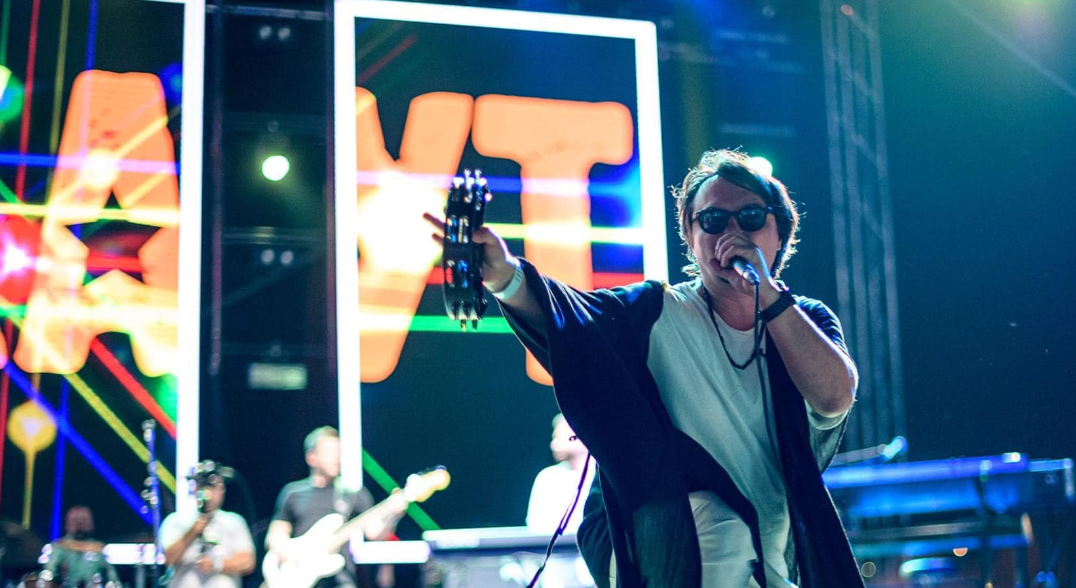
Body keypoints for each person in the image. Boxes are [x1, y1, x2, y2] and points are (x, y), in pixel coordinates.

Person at [424, 149, 863, 587]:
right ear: (690, 235)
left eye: (749, 217)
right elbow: (571, 320)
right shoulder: (655, 312)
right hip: (662, 538)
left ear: (780, 233)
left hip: (768, 551)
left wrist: (764, 290)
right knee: (722, 529)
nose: (731, 233)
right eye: (712, 220)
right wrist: (504, 275)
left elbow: (834, 397)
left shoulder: (804, 321)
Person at [266, 426, 400, 588]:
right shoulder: (292, 493)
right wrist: (291, 556)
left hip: (341, 579)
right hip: (300, 578)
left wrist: (395, 514)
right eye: (329, 452)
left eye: (339, 452)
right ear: (311, 457)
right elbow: (276, 536)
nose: (336, 458)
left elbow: (375, 534)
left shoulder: (354, 494)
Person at [159, 461, 256, 588]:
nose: (208, 492)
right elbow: (167, 559)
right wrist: (193, 531)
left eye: (213, 486)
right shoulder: (175, 520)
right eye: (203, 486)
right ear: (195, 488)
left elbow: (248, 562)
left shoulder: (234, 522)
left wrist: (218, 564)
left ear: (222, 489)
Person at [526, 414, 595, 534]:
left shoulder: (602, 479)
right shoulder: (548, 477)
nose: (554, 445)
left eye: (559, 437)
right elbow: (536, 525)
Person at [38, 505, 121, 587]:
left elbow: (111, 576)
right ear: (67, 524)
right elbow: (49, 572)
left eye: (84, 519)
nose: (80, 523)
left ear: (91, 524)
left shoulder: (98, 548)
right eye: (75, 520)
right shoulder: (59, 546)